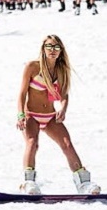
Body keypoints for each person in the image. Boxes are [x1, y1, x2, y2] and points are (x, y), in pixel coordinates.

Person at [16, 35, 101, 195]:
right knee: (32, 143)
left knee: (67, 144)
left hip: (50, 116)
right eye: (49, 46)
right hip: (31, 115)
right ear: (43, 49)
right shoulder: (32, 67)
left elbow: (63, 95)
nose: (53, 50)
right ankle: (28, 182)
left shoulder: (61, 70)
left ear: (61, 51)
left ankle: (84, 183)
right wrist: (20, 115)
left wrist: (63, 108)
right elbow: (21, 94)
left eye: (56, 47)